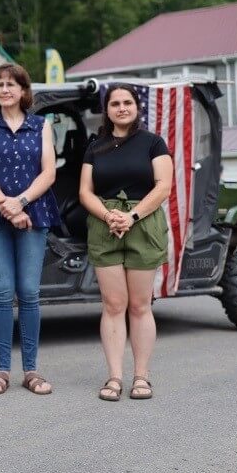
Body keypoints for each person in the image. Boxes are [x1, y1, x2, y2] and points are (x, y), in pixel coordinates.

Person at [0, 63, 60, 396]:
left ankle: (31, 370)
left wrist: (20, 202)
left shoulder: (41, 125)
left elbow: (49, 172)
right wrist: (6, 205)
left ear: (23, 91)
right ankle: (2, 371)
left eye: (11, 84)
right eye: (0, 85)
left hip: (33, 212)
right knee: (3, 291)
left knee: (30, 292)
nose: (5, 89)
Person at [78, 83, 173, 402]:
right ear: (106, 110)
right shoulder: (95, 147)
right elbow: (85, 192)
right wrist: (109, 216)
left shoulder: (153, 143)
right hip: (104, 225)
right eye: (115, 103)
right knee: (113, 304)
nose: (121, 108)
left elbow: (163, 187)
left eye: (127, 102)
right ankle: (115, 376)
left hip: (143, 224)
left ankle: (141, 376)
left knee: (140, 305)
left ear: (137, 106)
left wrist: (131, 217)